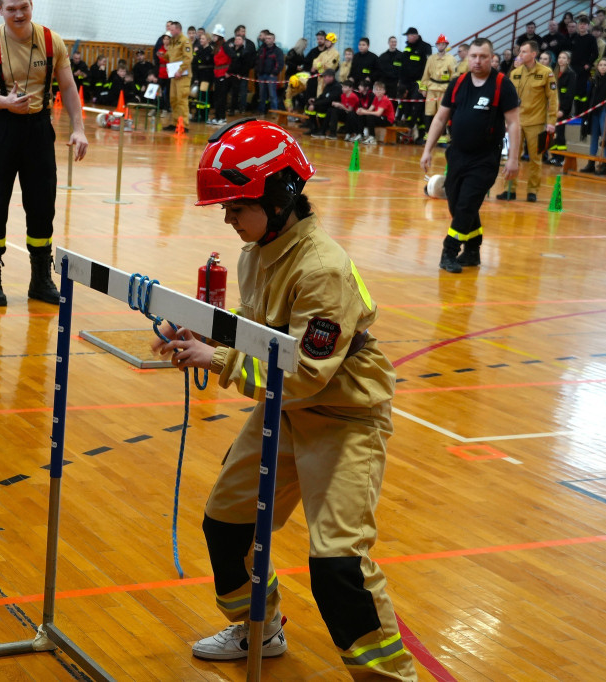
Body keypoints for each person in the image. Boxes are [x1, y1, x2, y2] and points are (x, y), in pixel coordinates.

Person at [152, 118, 419, 682]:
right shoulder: (257, 251)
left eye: (236, 206)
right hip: (284, 411)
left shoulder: (323, 268)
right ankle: (261, 628)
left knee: (338, 564)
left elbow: (304, 374)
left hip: (344, 417)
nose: (228, 218)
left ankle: (390, 676)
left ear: (279, 199)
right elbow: (256, 328)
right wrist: (198, 327)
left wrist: (215, 358)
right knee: (226, 525)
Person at [0, 0, 88, 306]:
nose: (18, 14)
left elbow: (68, 86)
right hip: (2, 129)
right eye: (11, 9)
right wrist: (4, 102)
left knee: (43, 206)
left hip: (39, 130)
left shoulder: (51, 40)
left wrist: (79, 129)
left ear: (31, 5)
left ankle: (40, 280)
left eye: (24, 7)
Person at [420, 38, 520, 273]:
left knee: (466, 205)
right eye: (474, 56)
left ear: (491, 58)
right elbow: (440, 118)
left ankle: (449, 251)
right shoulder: (458, 83)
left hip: (485, 158)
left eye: (483, 57)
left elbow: (514, 123)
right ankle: (473, 249)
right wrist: (427, 150)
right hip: (457, 155)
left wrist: (513, 158)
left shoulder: (502, 85)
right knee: (457, 205)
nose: (477, 61)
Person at [498, 41, 557, 202]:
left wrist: (551, 121)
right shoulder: (515, 73)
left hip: (537, 123)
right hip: (516, 122)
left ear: (533, 54)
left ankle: (532, 191)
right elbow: (508, 99)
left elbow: (553, 99)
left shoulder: (546, 73)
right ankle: (509, 189)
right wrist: (505, 119)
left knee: (535, 159)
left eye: (524, 52)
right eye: (520, 52)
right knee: (513, 157)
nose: (520, 55)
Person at [579, 57, 606, 174]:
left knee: (605, 137)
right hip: (594, 110)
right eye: (600, 65)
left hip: (605, 110)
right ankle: (591, 163)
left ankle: (605, 164)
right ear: (597, 67)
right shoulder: (594, 80)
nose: (602, 67)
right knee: (594, 137)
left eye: (605, 65)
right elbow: (590, 96)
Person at [420, 34, 457, 143]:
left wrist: (452, 90)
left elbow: (454, 76)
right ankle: (428, 133)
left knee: (443, 112)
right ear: (436, 45)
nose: (441, 46)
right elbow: (426, 74)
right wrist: (423, 88)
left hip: (445, 89)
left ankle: (443, 135)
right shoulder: (431, 59)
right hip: (432, 88)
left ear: (446, 45)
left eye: (443, 44)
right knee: (429, 111)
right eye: (439, 44)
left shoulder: (451, 59)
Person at [399, 28, 431, 140]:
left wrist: (424, 83)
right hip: (406, 82)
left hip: (419, 82)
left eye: (409, 35)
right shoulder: (407, 47)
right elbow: (403, 65)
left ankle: (418, 133)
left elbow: (427, 67)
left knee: (417, 106)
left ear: (415, 35)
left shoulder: (425, 47)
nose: (407, 38)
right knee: (405, 105)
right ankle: (406, 128)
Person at [164, 21, 193, 131]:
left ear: (178, 29)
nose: (170, 32)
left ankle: (184, 124)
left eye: (172, 29)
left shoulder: (185, 41)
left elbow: (188, 58)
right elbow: (170, 56)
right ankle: (175, 122)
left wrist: (180, 70)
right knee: (173, 99)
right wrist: (163, 55)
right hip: (174, 75)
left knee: (182, 99)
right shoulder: (172, 41)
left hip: (183, 76)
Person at [548, 50, 576, 164]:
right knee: (551, 133)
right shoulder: (554, 73)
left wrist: (563, 110)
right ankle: (554, 156)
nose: (561, 60)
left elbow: (570, 94)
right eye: (560, 57)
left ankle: (561, 158)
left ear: (568, 60)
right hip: (552, 107)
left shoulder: (571, 74)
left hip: (562, 109)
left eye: (564, 58)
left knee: (560, 133)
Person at [570, 16, 599, 110]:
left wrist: (589, 64)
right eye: (581, 24)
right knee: (572, 89)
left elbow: (595, 54)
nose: (582, 26)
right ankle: (573, 111)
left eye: (584, 24)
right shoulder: (574, 37)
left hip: (583, 68)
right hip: (573, 67)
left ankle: (581, 111)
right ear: (578, 25)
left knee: (581, 91)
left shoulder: (591, 38)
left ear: (588, 26)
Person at [256, 31, 285, 114]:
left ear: (273, 40)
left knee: (272, 94)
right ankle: (261, 110)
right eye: (266, 38)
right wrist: (257, 71)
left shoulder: (277, 51)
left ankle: (274, 111)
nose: (267, 40)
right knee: (262, 94)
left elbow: (280, 63)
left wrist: (274, 73)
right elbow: (257, 60)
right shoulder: (261, 49)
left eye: (269, 38)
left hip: (271, 76)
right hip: (261, 75)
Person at [359, 79, 395, 144]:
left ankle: (372, 137)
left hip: (388, 120)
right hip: (380, 117)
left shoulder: (384, 99)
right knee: (362, 115)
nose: (378, 91)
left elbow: (378, 113)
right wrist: (361, 111)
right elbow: (369, 110)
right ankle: (360, 134)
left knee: (370, 117)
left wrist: (365, 112)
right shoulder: (376, 98)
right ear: (374, 91)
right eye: (376, 90)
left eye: (380, 90)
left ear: (384, 91)